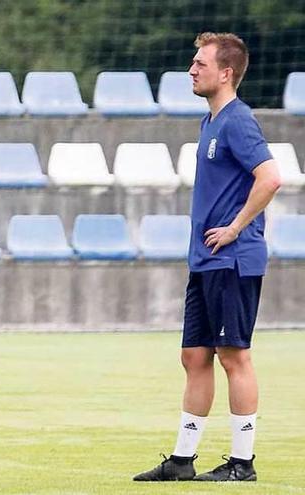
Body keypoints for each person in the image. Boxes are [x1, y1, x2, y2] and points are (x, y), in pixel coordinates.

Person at [133, 32, 281, 482]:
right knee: (195, 356)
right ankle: (182, 460)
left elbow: (271, 177)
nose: (192, 70)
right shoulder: (210, 122)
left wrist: (236, 228)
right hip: (205, 262)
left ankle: (242, 464)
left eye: (200, 63)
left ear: (226, 72)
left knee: (234, 356)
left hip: (232, 261)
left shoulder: (237, 120)